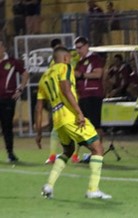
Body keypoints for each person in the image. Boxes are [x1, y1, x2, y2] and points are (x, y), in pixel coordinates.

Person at [36, 46, 111, 199]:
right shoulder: (65, 68)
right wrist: (79, 112)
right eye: (69, 57)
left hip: (57, 119)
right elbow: (65, 89)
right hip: (69, 116)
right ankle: (93, 189)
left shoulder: (44, 77)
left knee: (68, 151)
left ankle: (49, 186)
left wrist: (38, 133)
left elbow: (38, 108)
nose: (71, 60)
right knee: (97, 148)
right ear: (65, 58)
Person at [0, 40, 29, 162]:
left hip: (7, 100)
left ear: (3, 48)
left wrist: (20, 89)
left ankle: (10, 153)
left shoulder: (12, 62)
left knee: (7, 127)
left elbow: (25, 74)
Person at [74, 36, 105, 144]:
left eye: (80, 48)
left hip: (93, 94)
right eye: (76, 48)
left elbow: (98, 74)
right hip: (83, 95)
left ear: (86, 46)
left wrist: (81, 75)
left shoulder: (95, 59)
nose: (78, 51)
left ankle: (98, 150)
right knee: (84, 123)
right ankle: (92, 148)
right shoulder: (79, 62)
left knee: (96, 123)